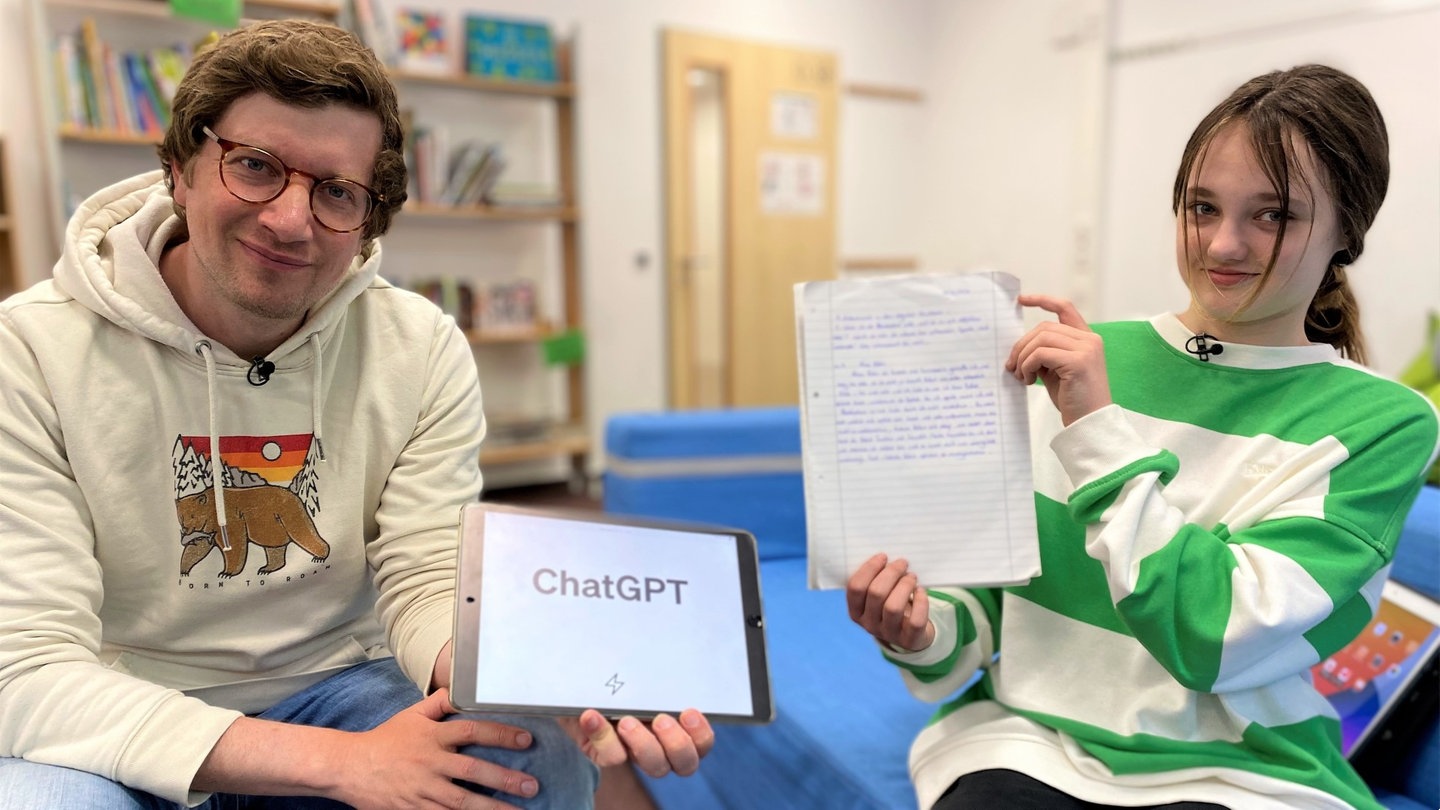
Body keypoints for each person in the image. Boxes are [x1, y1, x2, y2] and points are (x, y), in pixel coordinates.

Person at [0, 19, 711, 809]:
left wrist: (534, 674)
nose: (289, 219)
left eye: (336, 190)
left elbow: (428, 573)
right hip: (123, 703)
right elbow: (26, 666)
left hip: (345, 686)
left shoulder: (420, 345)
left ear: (369, 218)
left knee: (533, 753)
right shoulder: (27, 352)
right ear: (180, 169)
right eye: (256, 167)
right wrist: (336, 764)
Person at [847, 64, 1440, 810]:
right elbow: (992, 612)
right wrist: (917, 626)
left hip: (1248, 777)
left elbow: (1213, 637)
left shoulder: (1383, 421)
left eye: (1273, 215)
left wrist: (1097, 428)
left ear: (1347, 231)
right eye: (1202, 207)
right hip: (1034, 745)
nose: (1224, 244)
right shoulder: (1084, 358)